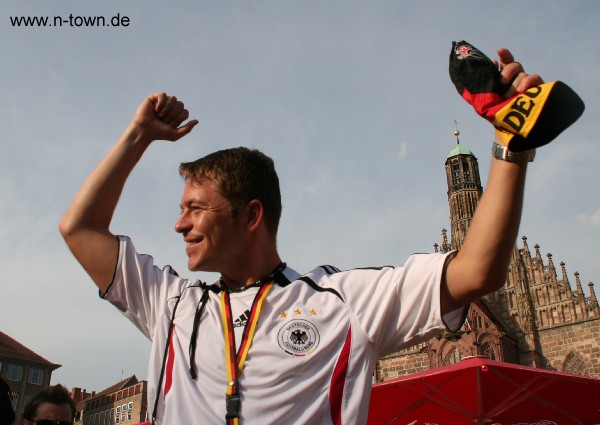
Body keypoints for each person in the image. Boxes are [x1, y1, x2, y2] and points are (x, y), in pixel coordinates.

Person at [59, 48, 543, 424]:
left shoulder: (340, 301)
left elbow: (477, 270)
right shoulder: (171, 305)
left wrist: (510, 142)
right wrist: (138, 135)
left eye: (194, 209)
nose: (178, 224)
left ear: (251, 216)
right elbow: (77, 228)